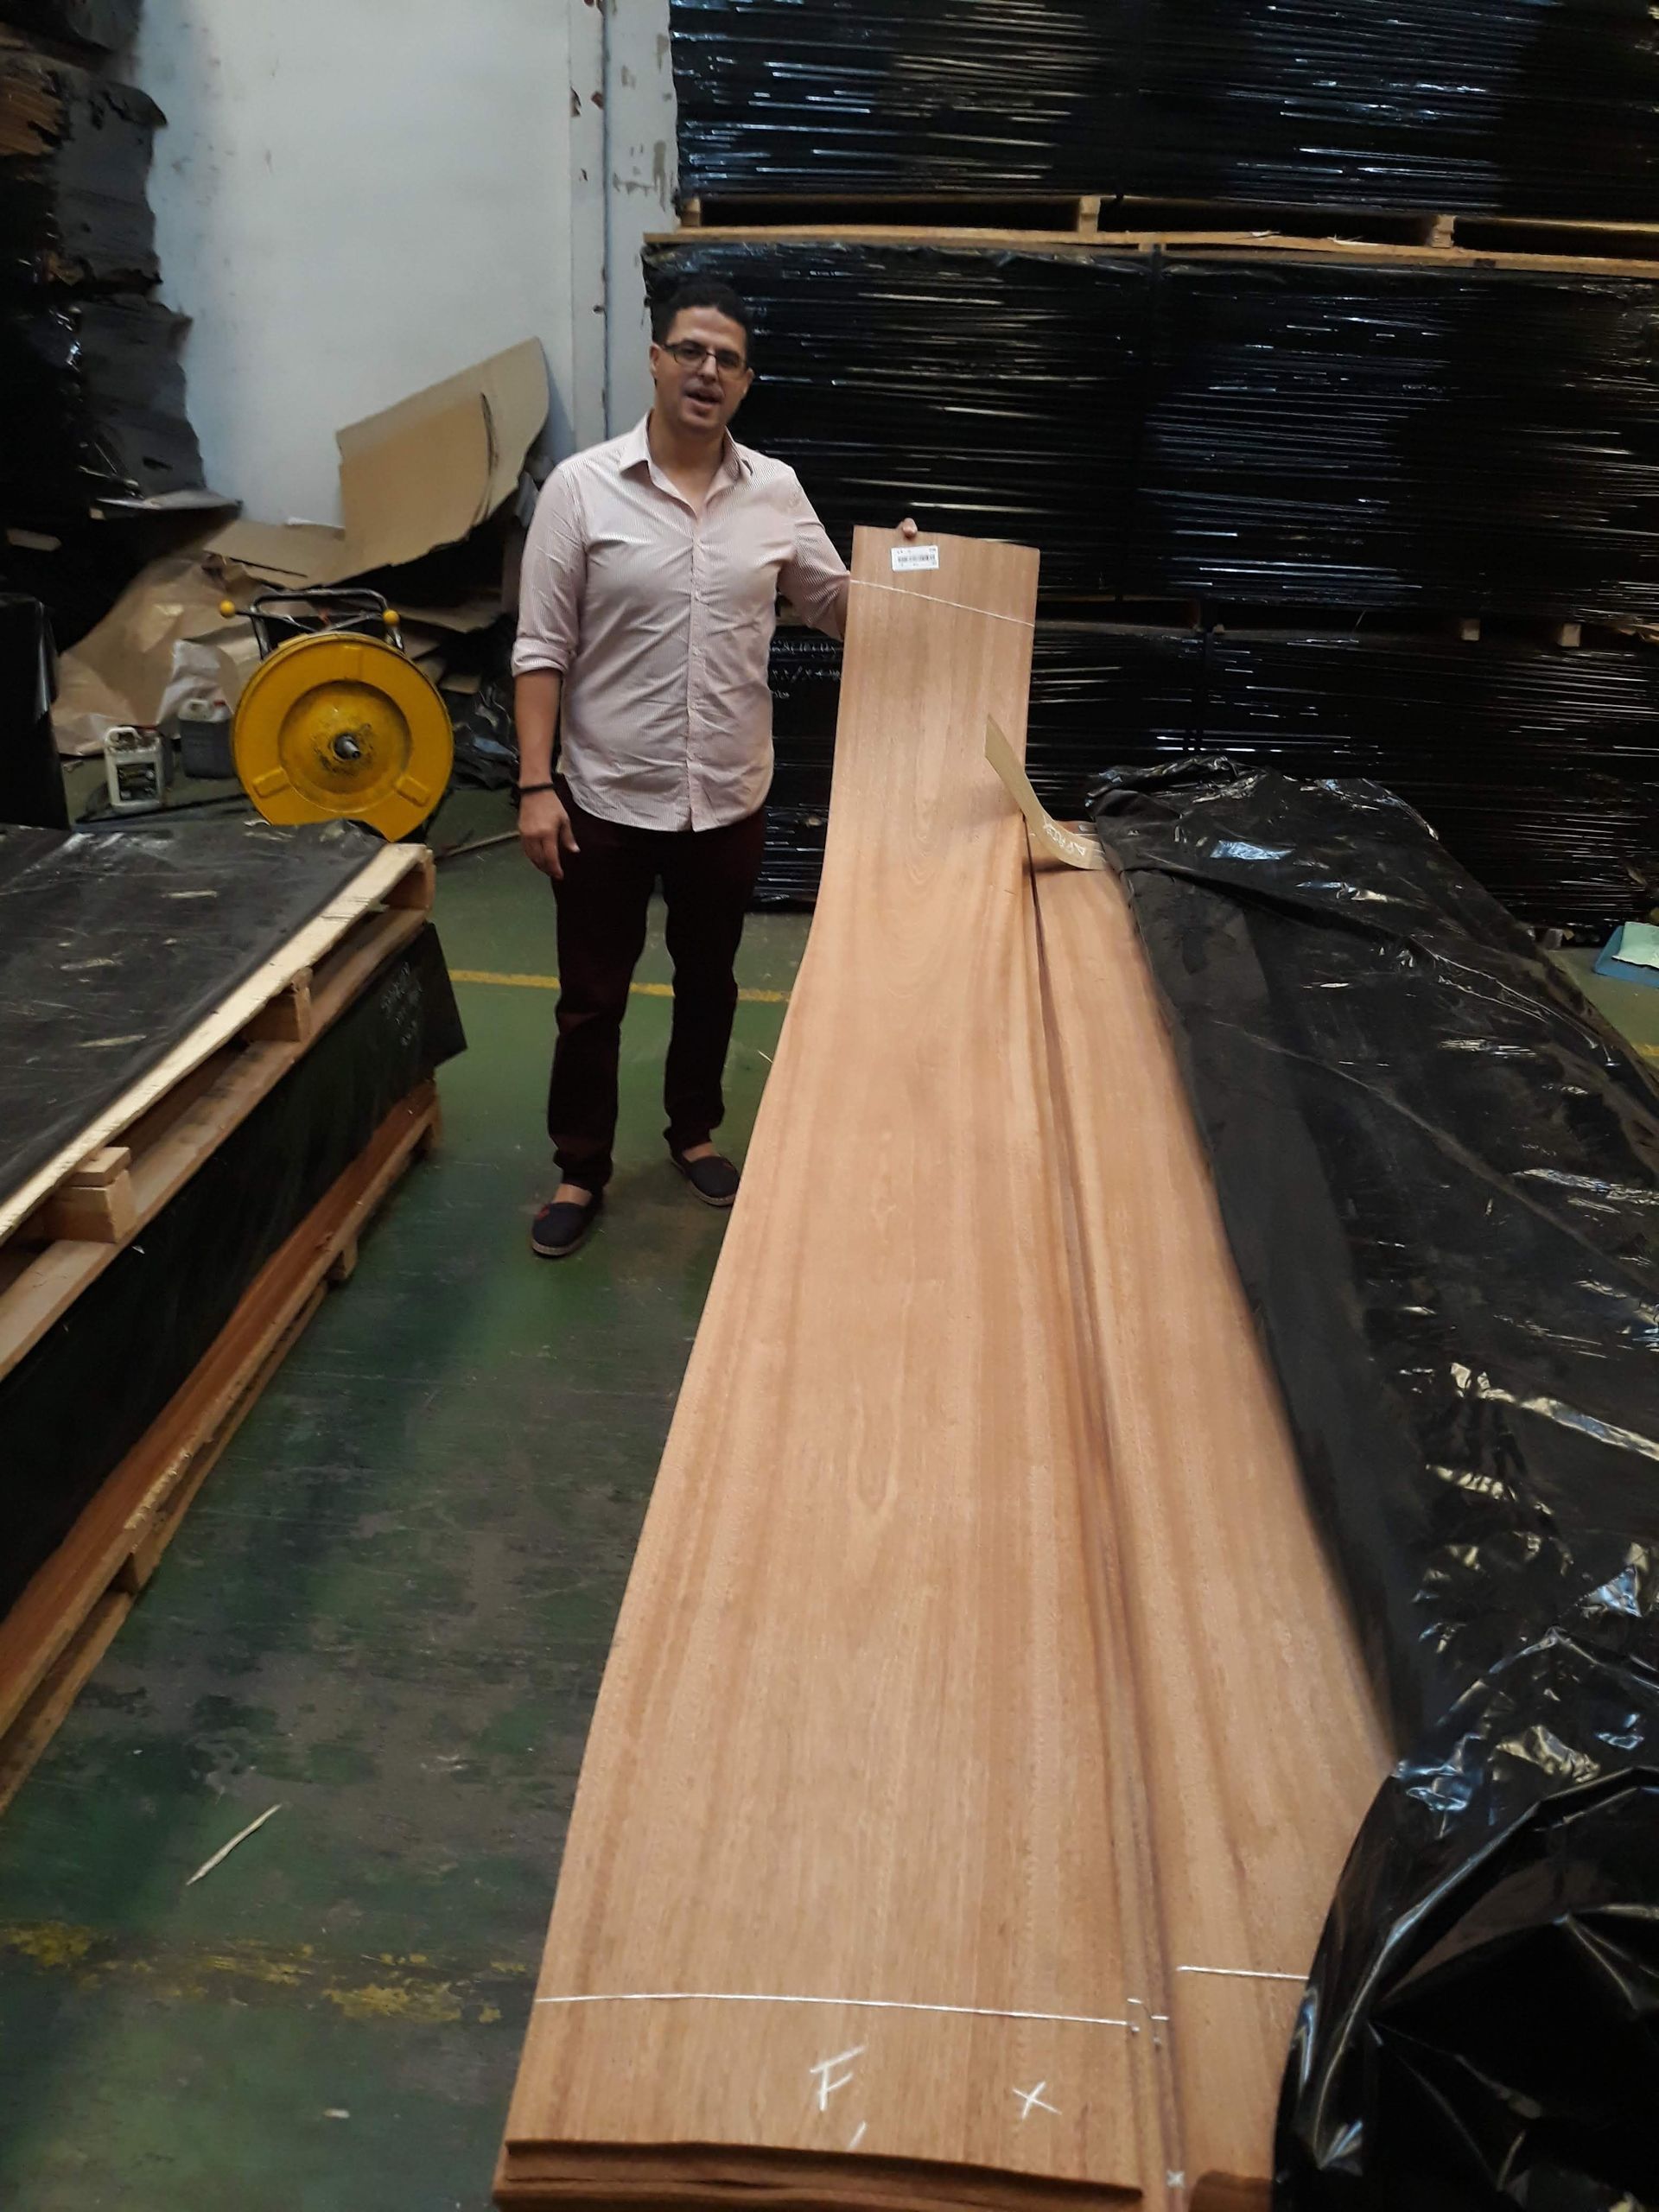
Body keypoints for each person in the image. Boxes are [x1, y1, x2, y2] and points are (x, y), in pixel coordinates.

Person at [513, 277, 910, 1259]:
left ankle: (693, 1132)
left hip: (728, 795)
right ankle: (580, 1166)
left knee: (710, 982)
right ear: (655, 360)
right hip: (606, 794)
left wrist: (902, 571)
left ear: (744, 383)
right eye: (691, 351)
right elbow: (540, 649)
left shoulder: (774, 491)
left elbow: (833, 606)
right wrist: (534, 784)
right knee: (593, 997)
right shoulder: (581, 489)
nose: (707, 372)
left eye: (727, 360)